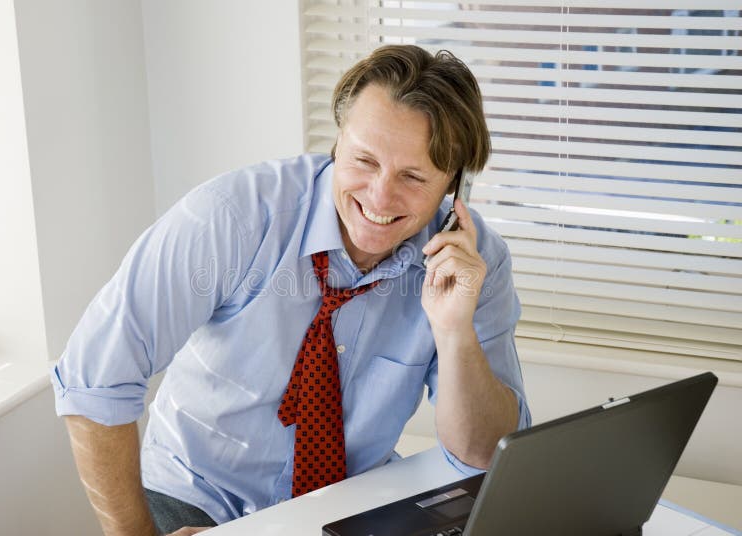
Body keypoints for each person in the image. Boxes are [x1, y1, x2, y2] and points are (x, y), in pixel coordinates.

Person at [52, 44, 531, 536]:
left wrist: (454, 332)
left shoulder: (474, 263)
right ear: (338, 143)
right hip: (199, 499)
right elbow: (94, 379)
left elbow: (484, 452)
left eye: (412, 176)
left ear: (455, 186)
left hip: (349, 505)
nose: (380, 196)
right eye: (365, 160)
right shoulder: (233, 217)